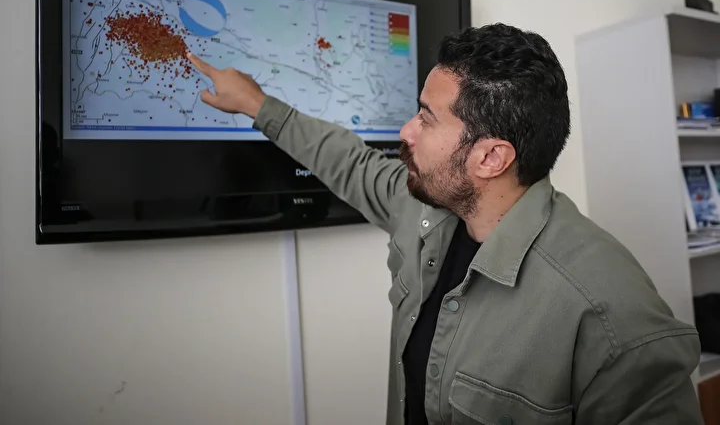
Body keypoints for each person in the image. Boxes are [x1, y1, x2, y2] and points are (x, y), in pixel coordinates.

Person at [188, 23, 703, 425]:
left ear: (491, 158)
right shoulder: (427, 208)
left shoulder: (612, 316)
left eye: (426, 118)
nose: (405, 131)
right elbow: (351, 162)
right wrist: (256, 104)